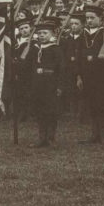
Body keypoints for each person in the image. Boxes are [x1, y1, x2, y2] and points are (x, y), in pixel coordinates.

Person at [77, 4, 104, 144]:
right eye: (87, 18)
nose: (89, 20)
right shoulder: (83, 35)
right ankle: (95, 134)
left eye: (92, 18)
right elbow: (79, 56)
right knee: (92, 105)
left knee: (103, 105)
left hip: (103, 76)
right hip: (88, 76)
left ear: (100, 19)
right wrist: (79, 75)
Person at [27, 17, 63, 147]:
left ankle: (51, 137)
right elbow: (29, 66)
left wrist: (59, 85)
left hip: (51, 84)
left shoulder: (55, 49)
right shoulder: (34, 48)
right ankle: (41, 137)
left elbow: (61, 69)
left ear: (52, 34)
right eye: (39, 33)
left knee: (51, 111)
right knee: (40, 110)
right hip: (37, 85)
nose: (41, 36)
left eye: (45, 33)